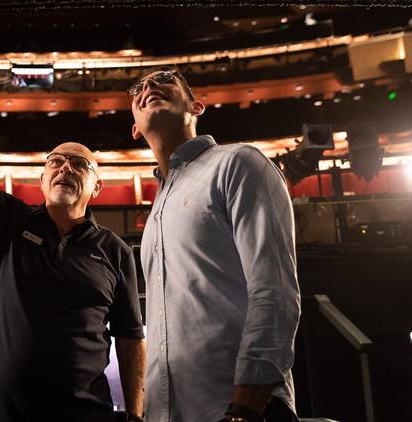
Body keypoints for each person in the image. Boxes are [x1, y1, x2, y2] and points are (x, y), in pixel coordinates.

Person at [0, 31, 146, 422]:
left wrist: (134, 414)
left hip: (85, 414)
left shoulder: (114, 249)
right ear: (42, 178)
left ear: (97, 186)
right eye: (55, 161)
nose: (65, 167)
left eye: (79, 164)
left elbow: (130, 336)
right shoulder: (10, 219)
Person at [128, 67, 301, 422]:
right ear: (135, 129)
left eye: (162, 79)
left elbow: (275, 291)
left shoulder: (238, 163)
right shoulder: (156, 210)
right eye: (138, 88)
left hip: (240, 409)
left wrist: (245, 406)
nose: (149, 87)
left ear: (197, 107)